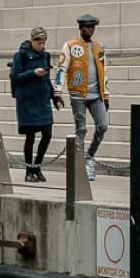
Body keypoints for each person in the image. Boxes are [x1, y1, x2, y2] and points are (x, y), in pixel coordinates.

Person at [55, 13, 110, 181]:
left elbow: (103, 70)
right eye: (87, 27)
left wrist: (106, 93)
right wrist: (58, 91)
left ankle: (89, 157)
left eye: (92, 27)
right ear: (80, 28)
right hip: (78, 94)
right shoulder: (70, 45)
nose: (90, 30)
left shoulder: (99, 47)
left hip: (96, 95)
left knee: (103, 126)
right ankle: (79, 164)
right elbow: (61, 68)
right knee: (81, 129)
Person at [10, 27, 64, 182]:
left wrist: (54, 96)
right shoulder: (21, 56)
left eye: (44, 42)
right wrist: (32, 73)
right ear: (32, 40)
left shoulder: (45, 56)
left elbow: (46, 79)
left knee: (47, 133)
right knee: (30, 137)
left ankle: (37, 166)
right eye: (39, 42)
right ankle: (28, 171)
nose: (42, 45)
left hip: (42, 99)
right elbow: (15, 76)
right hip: (28, 101)